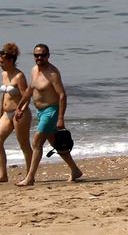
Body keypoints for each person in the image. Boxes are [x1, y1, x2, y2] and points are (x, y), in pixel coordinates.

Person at [15, 43, 82, 185]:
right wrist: (20, 107)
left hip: (51, 111)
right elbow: (29, 90)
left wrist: (60, 118)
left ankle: (30, 177)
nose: (39, 57)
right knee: (57, 144)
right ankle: (75, 170)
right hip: (40, 112)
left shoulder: (52, 73)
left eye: (43, 55)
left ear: (48, 56)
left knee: (37, 141)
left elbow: (62, 95)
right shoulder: (34, 70)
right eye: (36, 55)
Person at [0, 42, 33, 183]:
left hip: (20, 113)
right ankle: (3, 175)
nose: (0, 65)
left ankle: (29, 175)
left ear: (10, 60)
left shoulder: (19, 76)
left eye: (2, 62)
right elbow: (4, 95)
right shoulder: (4, 74)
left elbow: (27, 96)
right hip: (6, 114)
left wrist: (21, 109)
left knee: (24, 144)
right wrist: (0, 112)